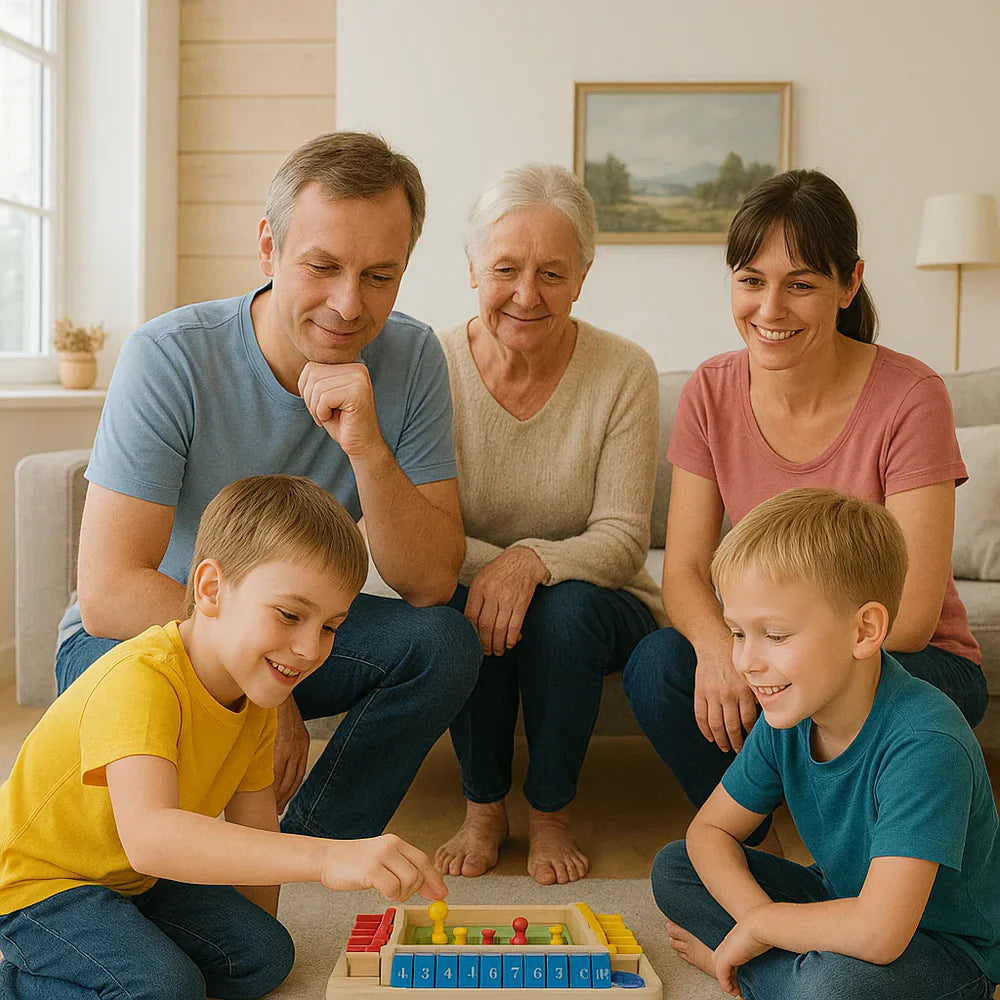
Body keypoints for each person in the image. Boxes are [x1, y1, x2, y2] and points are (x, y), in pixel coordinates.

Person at [54, 131, 483, 841]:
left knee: (443, 643)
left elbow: (430, 582)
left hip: (296, 634)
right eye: (323, 267)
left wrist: (368, 448)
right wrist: (264, 690)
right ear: (268, 249)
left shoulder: (411, 358)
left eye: (380, 275)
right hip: (142, 637)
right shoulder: (170, 356)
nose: (349, 305)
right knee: (146, 800)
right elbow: (110, 590)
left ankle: (314, 847)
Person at [623, 169, 987, 850]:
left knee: (828, 688)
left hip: (910, 662)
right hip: (778, 649)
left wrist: (780, 663)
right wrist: (725, 649)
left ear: (849, 284)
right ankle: (755, 847)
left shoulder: (911, 396)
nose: (770, 309)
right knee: (657, 665)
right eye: (752, 280)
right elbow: (685, 571)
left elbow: (908, 618)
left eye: (801, 284)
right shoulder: (711, 389)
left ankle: (859, 872)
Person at [0, 475, 448, 1000]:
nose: (309, 648)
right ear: (211, 589)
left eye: (330, 626)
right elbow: (152, 839)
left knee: (265, 957)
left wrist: (254, 934)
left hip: (129, 881)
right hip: (40, 889)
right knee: (164, 988)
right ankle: (17, 981)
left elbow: (256, 826)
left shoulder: (255, 701)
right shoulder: (141, 680)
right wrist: (327, 858)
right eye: (290, 615)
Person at [651, 487, 1000, 1000]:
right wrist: (760, 921)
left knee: (830, 987)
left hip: (942, 948)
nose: (747, 661)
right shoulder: (787, 714)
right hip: (841, 900)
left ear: (864, 630)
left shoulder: (926, 742)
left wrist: (756, 934)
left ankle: (755, 979)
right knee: (675, 867)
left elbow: (881, 933)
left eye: (774, 634)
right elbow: (710, 832)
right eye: (737, 633)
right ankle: (776, 972)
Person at [433, 164, 664, 886]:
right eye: (505, 268)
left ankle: (552, 812)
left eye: (553, 273)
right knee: (451, 600)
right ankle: (482, 809)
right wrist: (496, 573)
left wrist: (528, 561)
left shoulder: (624, 370)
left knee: (559, 611)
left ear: (583, 276)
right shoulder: (426, 367)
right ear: (472, 268)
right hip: (470, 583)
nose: (527, 295)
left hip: (602, 598)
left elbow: (625, 536)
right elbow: (413, 527)